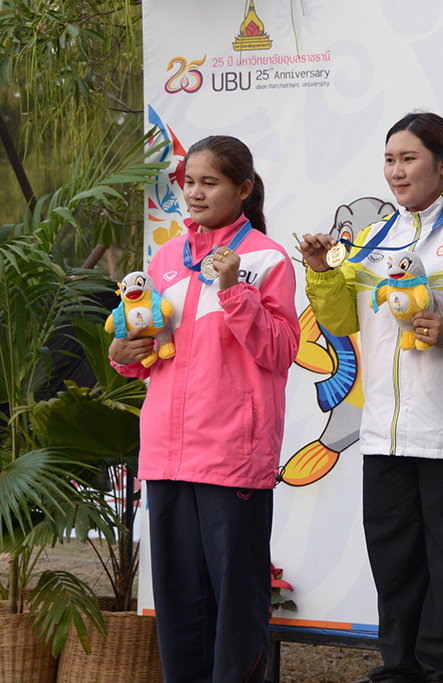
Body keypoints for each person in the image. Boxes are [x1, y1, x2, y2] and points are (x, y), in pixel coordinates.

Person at [299, 111, 443, 683]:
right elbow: (341, 319)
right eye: (390, 160)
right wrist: (322, 272)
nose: (396, 171)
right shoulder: (373, 239)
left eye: (409, 158)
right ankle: (398, 671)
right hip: (384, 437)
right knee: (394, 570)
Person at [109, 135, 300, 682]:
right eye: (189, 182)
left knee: (235, 611)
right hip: (167, 458)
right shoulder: (166, 258)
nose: (194, 192)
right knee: (178, 610)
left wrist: (233, 288)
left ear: (243, 189)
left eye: (209, 182)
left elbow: (280, 351)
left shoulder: (266, 258)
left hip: (231, 458)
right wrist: (124, 355)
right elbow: (151, 353)